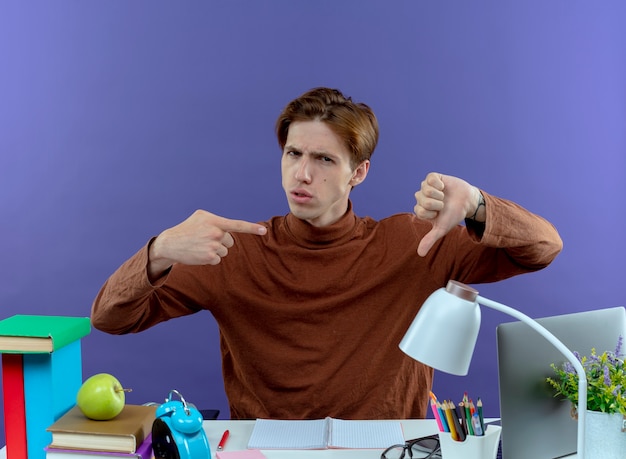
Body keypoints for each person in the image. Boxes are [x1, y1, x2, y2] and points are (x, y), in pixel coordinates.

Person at [91, 87, 562, 421]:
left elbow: (543, 247)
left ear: (358, 172)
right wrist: (159, 250)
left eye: (324, 160)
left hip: (387, 448)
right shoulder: (233, 251)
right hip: (265, 451)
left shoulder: (414, 243)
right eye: (293, 154)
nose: (302, 174)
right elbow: (110, 317)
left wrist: (478, 203)